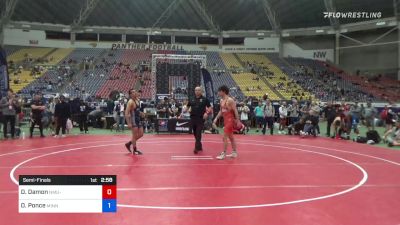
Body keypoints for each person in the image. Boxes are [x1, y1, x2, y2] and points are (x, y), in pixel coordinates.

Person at [213, 85, 239, 160]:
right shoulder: (221, 100)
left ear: (223, 91)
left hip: (230, 120)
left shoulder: (230, 100)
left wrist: (237, 120)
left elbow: (235, 110)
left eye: (219, 91)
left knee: (224, 137)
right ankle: (234, 152)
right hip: (225, 120)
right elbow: (221, 111)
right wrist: (216, 118)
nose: (218, 93)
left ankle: (223, 153)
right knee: (231, 137)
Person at [187, 87, 211, 154]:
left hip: (200, 119)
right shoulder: (191, 98)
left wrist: (207, 113)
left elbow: (210, 107)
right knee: (195, 133)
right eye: (196, 90)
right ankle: (199, 145)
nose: (197, 91)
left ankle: (196, 148)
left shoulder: (204, 99)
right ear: (194, 91)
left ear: (201, 91)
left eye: (198, 90)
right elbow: (188, 106)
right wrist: (187, 109)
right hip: (193, 118)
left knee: (198, 132)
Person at [124, 89, 144, 155]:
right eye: (132, 92)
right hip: (133, 121)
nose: (134, 93)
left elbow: (137, 110)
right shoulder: (130, 102)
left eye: (135, 92)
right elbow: (126, 113)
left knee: (141, 134)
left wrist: (141, 113)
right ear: (130, 95)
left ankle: (129, 143)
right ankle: (135, 150)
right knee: (134, 135)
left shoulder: (137, 100)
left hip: (138, 119)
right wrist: (129, 123)